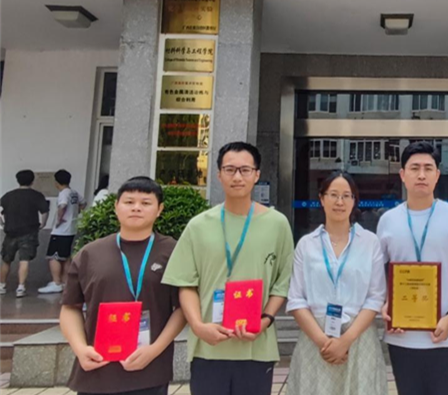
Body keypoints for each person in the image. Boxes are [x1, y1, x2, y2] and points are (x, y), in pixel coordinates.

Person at [162, 141, 294, 395]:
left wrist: (265, 320)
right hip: (208, 346)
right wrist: (198, 326)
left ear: (257, 175)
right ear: (219, 174)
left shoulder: (278, 224)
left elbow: (283, 281)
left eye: (245, 170)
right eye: (230, 169)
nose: (237, 177)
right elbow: (186, 283)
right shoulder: (198, 225)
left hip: (256, 347)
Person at [60, 176, 186, 395]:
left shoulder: (173, 251)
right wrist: (80, 349)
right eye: (129, 202)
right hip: (97, 368)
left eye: (145, 203)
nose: (136, 208)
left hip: (149, 368)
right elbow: (70, 307)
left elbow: (183, 308)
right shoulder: (90, 253)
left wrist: (155, 349)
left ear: (159, 209)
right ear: (116, 207)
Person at [377, 141, 448, 395]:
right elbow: (379, 272)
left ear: (437, 175)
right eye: (414, 168)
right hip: (401, 335)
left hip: (447, 335)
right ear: (402, 174)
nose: (421, 175)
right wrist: (386, 304)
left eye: (428, 168)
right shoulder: (388, 220)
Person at [286, 171, 388, 395]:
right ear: (322, 199)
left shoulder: (370, 242)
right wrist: (324, 342)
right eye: (333, 195)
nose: (339, 202)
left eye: (346, 196)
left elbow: (375, 296)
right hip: (316, 340)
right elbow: (296, 299)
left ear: (354, 201)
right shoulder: (306, 244)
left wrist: (345, 341)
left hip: (358, 340)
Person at [0, 170, 50, 297]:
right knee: (24, 260)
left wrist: (2, 223)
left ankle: (2, 285)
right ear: (32, 181)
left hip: (10, 232)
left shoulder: (8, 195)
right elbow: (44, 211)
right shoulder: (36, 195)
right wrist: (43, 224)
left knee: (6, 260)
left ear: (17, 180)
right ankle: (21, 287)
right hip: (29, 232)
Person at [40, 169, 86, 294]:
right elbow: (83, 203)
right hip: (71, 229)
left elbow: (62, 205)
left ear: (56, 182)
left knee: (53, 256)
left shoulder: (63, 193)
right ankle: (66, 282)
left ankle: (56, 282)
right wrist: (75, 213)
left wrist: (59, 219)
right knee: (65, 257)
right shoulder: (74, 192)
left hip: (61, 231)